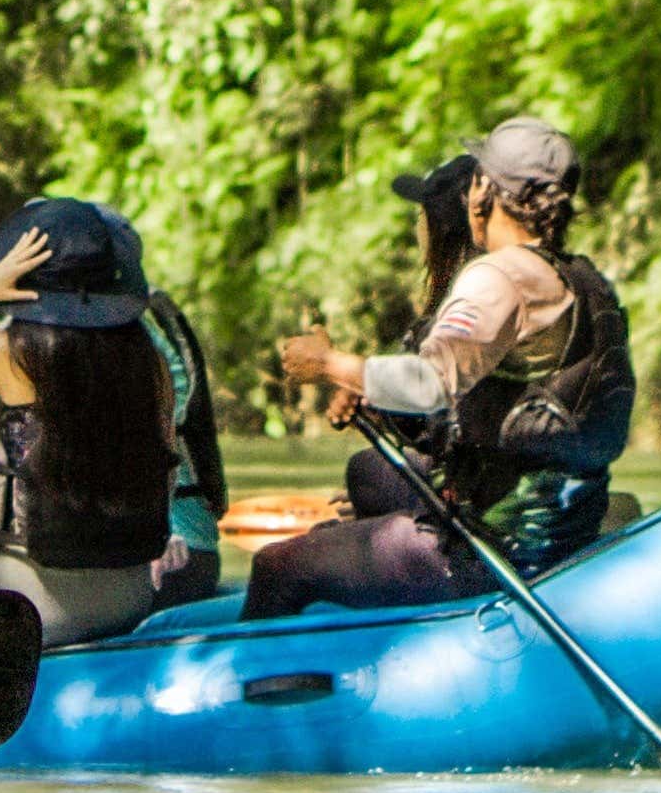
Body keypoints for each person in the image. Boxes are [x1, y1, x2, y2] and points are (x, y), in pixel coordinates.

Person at [254, 117, 635, 614]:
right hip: (562, 524)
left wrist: (328, 363)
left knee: (277, 567)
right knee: (367, 475)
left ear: (483, 192)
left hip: (488, 551)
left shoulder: (499, 277)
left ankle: (277, 681)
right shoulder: (578, 277)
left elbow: (428, 383)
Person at [0, 197, 219, 645]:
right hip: (131, 594)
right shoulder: (148, 359)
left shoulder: (12, 353)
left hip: (35, 602)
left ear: (21, 280)